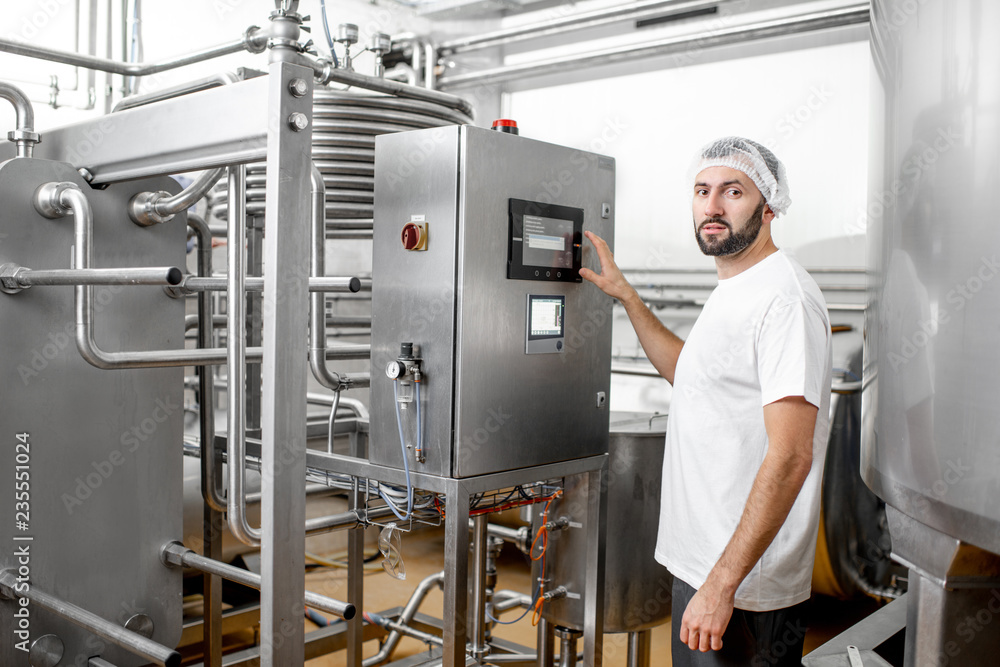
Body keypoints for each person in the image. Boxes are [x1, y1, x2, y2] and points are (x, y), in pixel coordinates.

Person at [581, 137, 832, 666]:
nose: (712, 207)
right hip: (703, 564)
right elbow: (688, 372)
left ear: (768, 207)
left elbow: (791, 457)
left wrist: (721, 587)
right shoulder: (736, 286)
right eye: (702, 191)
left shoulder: (784, 297)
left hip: (742, 585)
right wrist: (627, 296)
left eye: (732, 191)